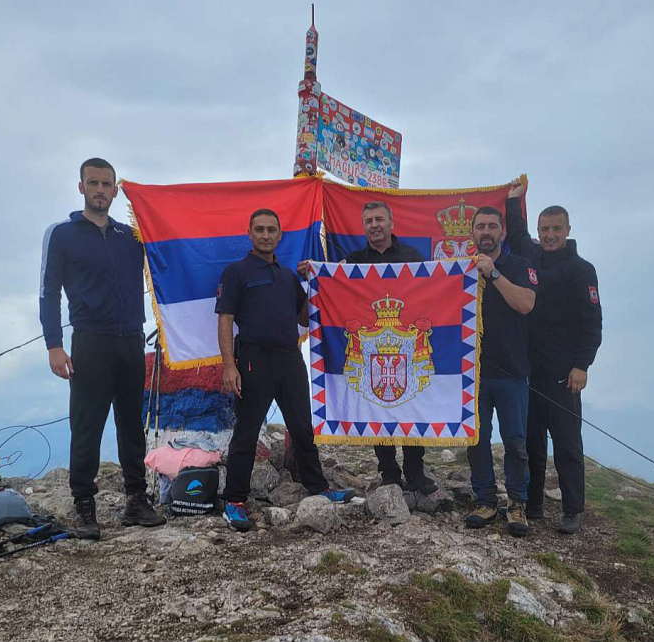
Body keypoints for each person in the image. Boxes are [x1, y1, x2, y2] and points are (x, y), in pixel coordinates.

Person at [39, 158, 166, 540]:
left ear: (115, 190)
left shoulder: (132, 238)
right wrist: (54, 345)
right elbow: (48, 292)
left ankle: (136, 501)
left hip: (131, 340)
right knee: (87, 424)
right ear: (81, 187)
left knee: (131, 424)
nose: (99, 190)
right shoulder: (62, 234)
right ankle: (84, 508)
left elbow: (169, 262)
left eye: (106, 184)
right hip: (90, 340)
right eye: (92, 183)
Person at [216, 208, 354, 532]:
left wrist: (315, 282)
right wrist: (229, 366)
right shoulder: (236, 272)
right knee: (247, 432)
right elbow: (224, 319)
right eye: (259, 230)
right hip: (252, 359)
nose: (265, 235)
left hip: (290, 357)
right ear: (250, 234)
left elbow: (304, 318)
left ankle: (318, 487)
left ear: (280, 235)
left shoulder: (290, 276)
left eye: (271, 230)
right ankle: (234, 500)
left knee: (303, 427)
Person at [300, 201, 437, 495]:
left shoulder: (413, 258)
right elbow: (334, 285)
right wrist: (315, 272)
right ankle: (388, 471)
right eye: (369, 221)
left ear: (391, 223)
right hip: (371, 347)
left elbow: (429, 293)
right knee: (378, 407)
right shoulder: (353, 261)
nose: (374, 225)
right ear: (363, 227)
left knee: (410, 405)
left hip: (404, 346)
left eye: (379, 220)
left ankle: (415, 471)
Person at [503, 180, 603, 534]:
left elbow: (593, 324)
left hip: (565, 374)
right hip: (530, 371)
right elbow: (515, 235)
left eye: (555, 229)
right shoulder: (530, 257)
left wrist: (582, 365)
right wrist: (512, 202)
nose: (548, 235)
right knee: (531, 443)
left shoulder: (582, 270)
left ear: (568, 230)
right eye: (544, 229)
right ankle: (533, 506)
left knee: (567, 445)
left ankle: (573, 510)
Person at [464, 206, 536, 537]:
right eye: (480, 226)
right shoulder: (459, 270)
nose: (486, 232)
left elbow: (526, 303)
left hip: (511, 372)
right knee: (476, 442)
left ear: (502, 233)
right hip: (471, 374)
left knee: (516, 442)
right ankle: (485, 500)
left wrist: (493, 274)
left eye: (493, 226)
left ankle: (517, 503)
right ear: (472, 233)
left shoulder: (518, 266)